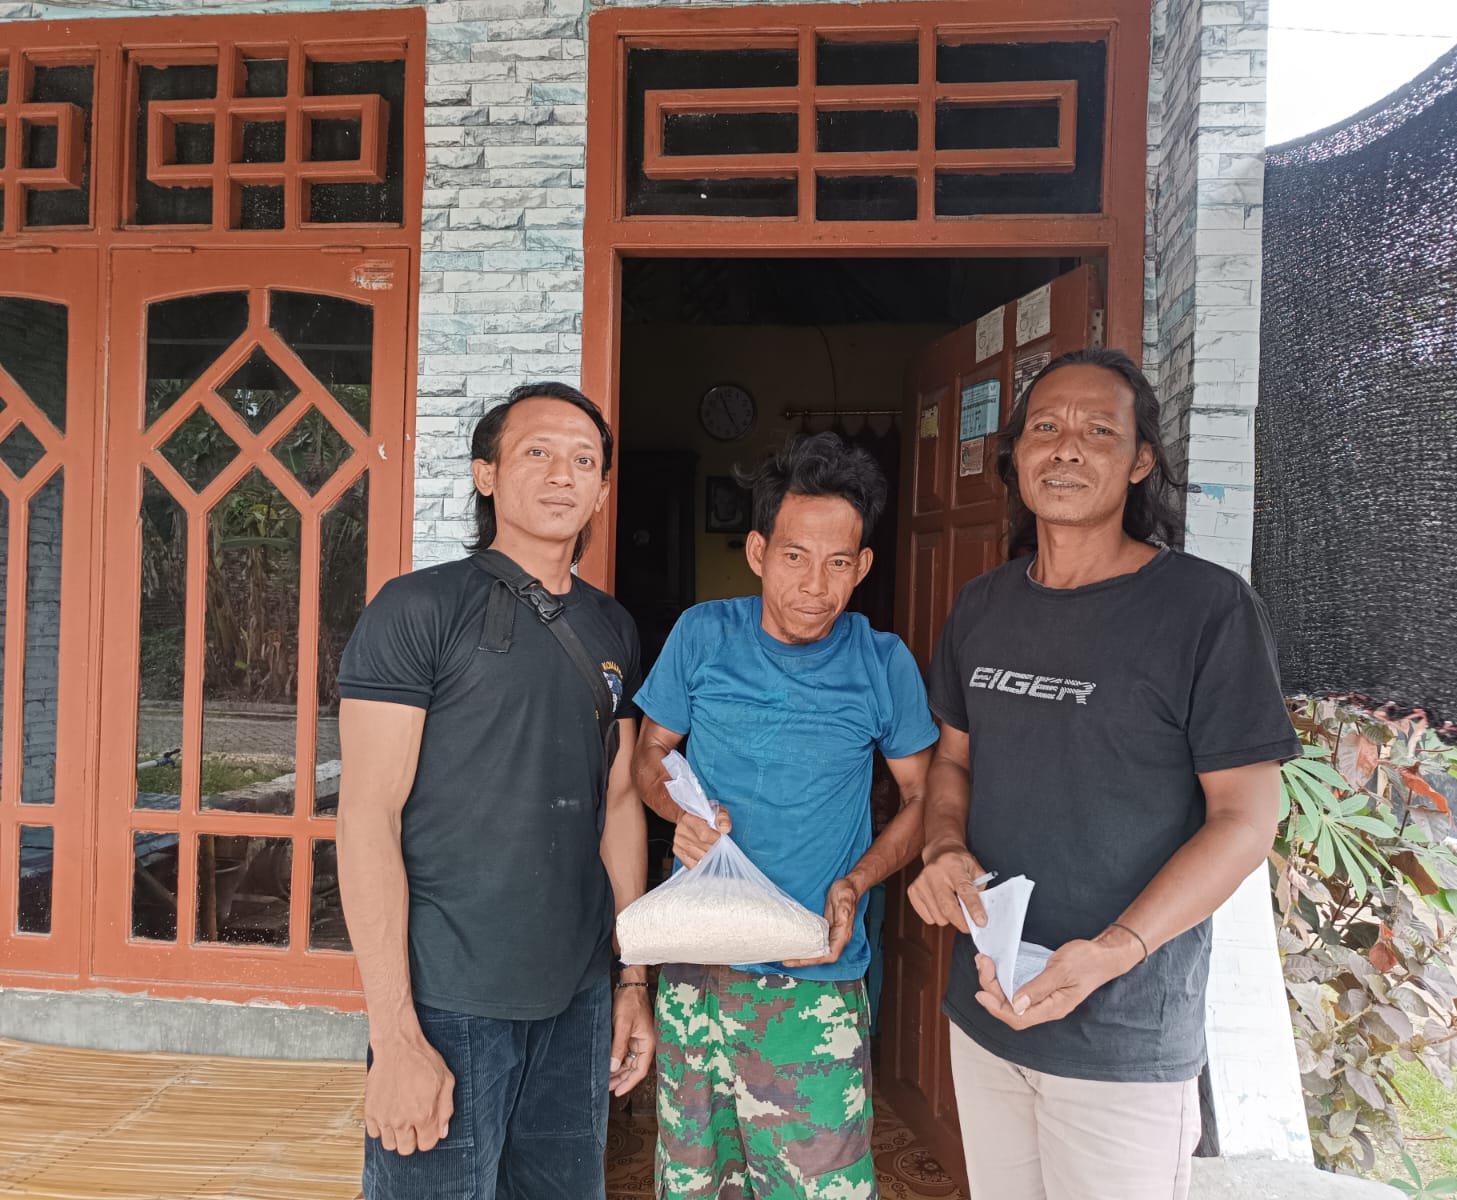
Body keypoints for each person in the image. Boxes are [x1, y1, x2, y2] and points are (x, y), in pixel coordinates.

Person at [908, 348, 1302, 1200]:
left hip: (1124, 1034)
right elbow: (953, 760)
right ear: (1016, 455)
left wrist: (1117, 950)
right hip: (989, 1006)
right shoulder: (982, 606)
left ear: (1140, 460)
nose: (1067, 448)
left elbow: (1244, 820)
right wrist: (941, 848)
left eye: (1098, 431)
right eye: (1045, 428)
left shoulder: (1207, 610)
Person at [336, 382, 654, 1200]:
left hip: (578, 994)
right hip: (447, 1000)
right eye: (536, 452)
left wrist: (631, 980)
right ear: (486, 474)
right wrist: (394, 1034)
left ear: (603, 490)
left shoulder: (613, 628)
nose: (562, 474)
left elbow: (620, 802)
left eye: (584, 460)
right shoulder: (418, 609)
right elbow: (367, 817)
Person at [632, 432, 939, 1200]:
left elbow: (924, 800)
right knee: (696, 1183)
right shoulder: (703, 635)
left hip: (815, 976)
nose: (815, 585)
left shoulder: (882, 663)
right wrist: (677, 810)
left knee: (819, 1187)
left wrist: (857, 883)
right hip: (699, 970)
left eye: (838, 563)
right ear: (758, 552)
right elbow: (649, 754)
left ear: (862, 566)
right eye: (795, 557)